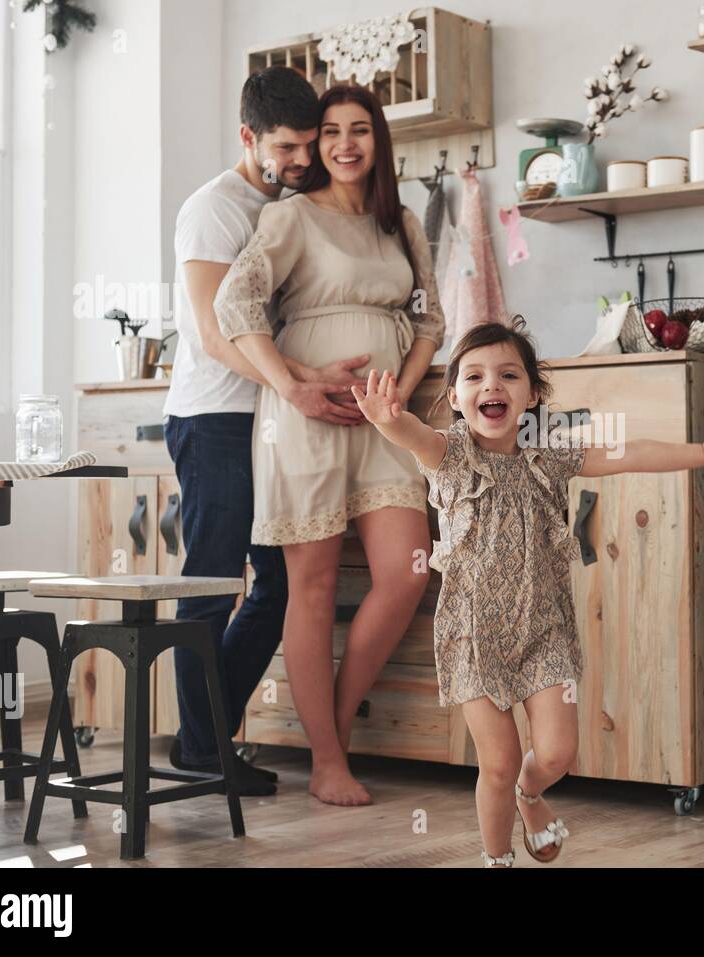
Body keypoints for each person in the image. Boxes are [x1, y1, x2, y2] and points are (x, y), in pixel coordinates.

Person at [349, 318, 704, 866]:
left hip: (543, 628)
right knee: (500, 760)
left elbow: (625, 453)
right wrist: (389, 422)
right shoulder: (450, 455)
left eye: (509, 375)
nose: (492, 386)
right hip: (472, 635)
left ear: (532, 394)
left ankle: (530, 795)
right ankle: (498, 859)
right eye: (475, 377)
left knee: (556, 754)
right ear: (457, 397)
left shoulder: (547, 458)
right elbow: (413, 434)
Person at [214, 85, 446, 806]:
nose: (345, 144)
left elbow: (432, 318)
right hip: (306, 417)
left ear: (379, 141)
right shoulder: (290, 216)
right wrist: (290, 383)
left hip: (385, 420)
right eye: (332, 132)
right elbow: (234, 303)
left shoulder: (400, 223)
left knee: (406, 571)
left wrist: (401, 391)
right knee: (309, 586)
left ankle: (334, 728)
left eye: (360, 131)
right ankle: (325, 758)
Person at [162, 67, 370, 795]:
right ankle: (200, 744)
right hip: (215, 416)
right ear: (248, 136)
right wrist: (297, 381)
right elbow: (216, 332)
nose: (302, 160)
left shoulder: (292, 202)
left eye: (309, 145)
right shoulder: (214, 209)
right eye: (286, 147)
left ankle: (205, 733)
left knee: (276, 581)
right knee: (214, 582)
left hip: (268, 418)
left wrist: (300, 383)